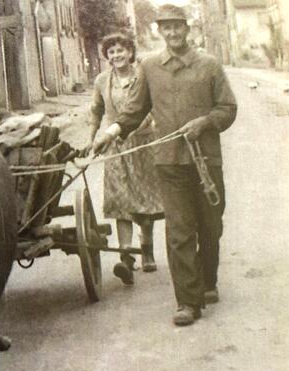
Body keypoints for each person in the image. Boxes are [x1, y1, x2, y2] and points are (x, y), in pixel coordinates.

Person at [91, 4, 237, 326]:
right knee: (180, 231)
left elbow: (228, 108)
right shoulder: (151, 67)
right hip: (169, 162)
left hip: (206, 163)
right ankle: (187, 302)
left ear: (187, 29)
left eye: (177, 27)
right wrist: (111, 132)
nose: (172, 33)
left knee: (210, 228)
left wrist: (205, 121)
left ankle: (207, 281)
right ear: (160, 31)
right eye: (165, 28)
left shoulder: (209, 66)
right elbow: (134, 109)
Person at [88, 32, 164, 286]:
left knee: (144, 198)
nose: (116, 55)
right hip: (115, 146)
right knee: (121, 200)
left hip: (143, 143)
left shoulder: (143, 76)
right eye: (111, 52)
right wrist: (92, 138)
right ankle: (126, 258)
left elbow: (153, 107)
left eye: (121, 50)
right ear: (107, 57)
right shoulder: (101, 81)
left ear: (130, 52)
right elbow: (96, 111)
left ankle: (147, 249)